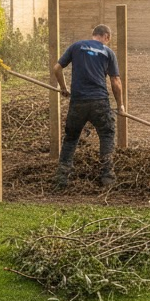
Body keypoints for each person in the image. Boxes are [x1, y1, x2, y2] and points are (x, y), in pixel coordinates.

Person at [52, 24, 125, 188]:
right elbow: (115, 81)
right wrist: (120, 105)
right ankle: (107, 177)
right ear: (106, 36)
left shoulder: (76, 46)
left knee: (71, 138)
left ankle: (62, 179)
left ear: (93, 34)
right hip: (99, 101)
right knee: (106, 134)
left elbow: (57, 68)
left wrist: (63, 88)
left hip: (78, 101)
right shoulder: (108, 52)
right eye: (108, 39)